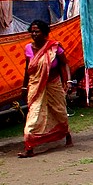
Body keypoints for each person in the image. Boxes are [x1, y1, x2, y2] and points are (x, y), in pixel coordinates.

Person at [18, 19, 73, 157]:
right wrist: (24, 87)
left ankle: (66, 134)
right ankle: (29, 146)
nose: (34, 34)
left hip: (54, 84)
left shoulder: (54, 47)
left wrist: (69, 81)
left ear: (45, 33)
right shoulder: (28, 49)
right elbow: (28, 69)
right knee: (34, 114)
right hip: (36, 85)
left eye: (37, 31)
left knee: (59, 111)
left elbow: (64, 64)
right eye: (32, 31)